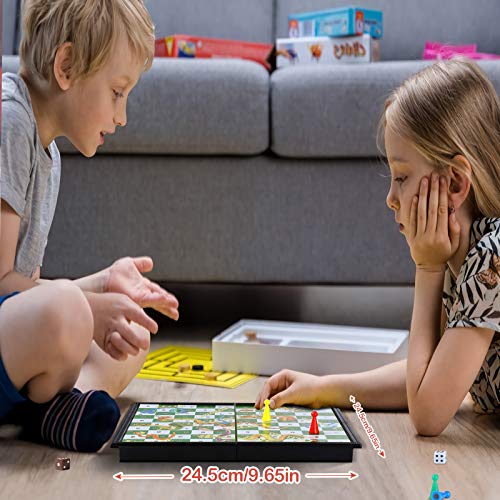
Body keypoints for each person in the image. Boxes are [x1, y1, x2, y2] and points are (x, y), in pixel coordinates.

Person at [256, 58, 500, 435]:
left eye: (402, 177)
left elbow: (429, 413)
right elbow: (425, 375)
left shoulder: (491, 257)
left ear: (454, 184)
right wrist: (322, 388)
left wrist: (427, 269)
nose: (390, 198)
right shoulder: (463, 252)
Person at [0, 0, 179, 452]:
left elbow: (22, 293)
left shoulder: (48, 152)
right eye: (117, 92)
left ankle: (55, 407)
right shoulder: (10, 123)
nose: (122, 116)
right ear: (66, 66)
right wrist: (86, 306)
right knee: (72, 312)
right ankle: (50, 406)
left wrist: (103, 286)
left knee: (130, 339)